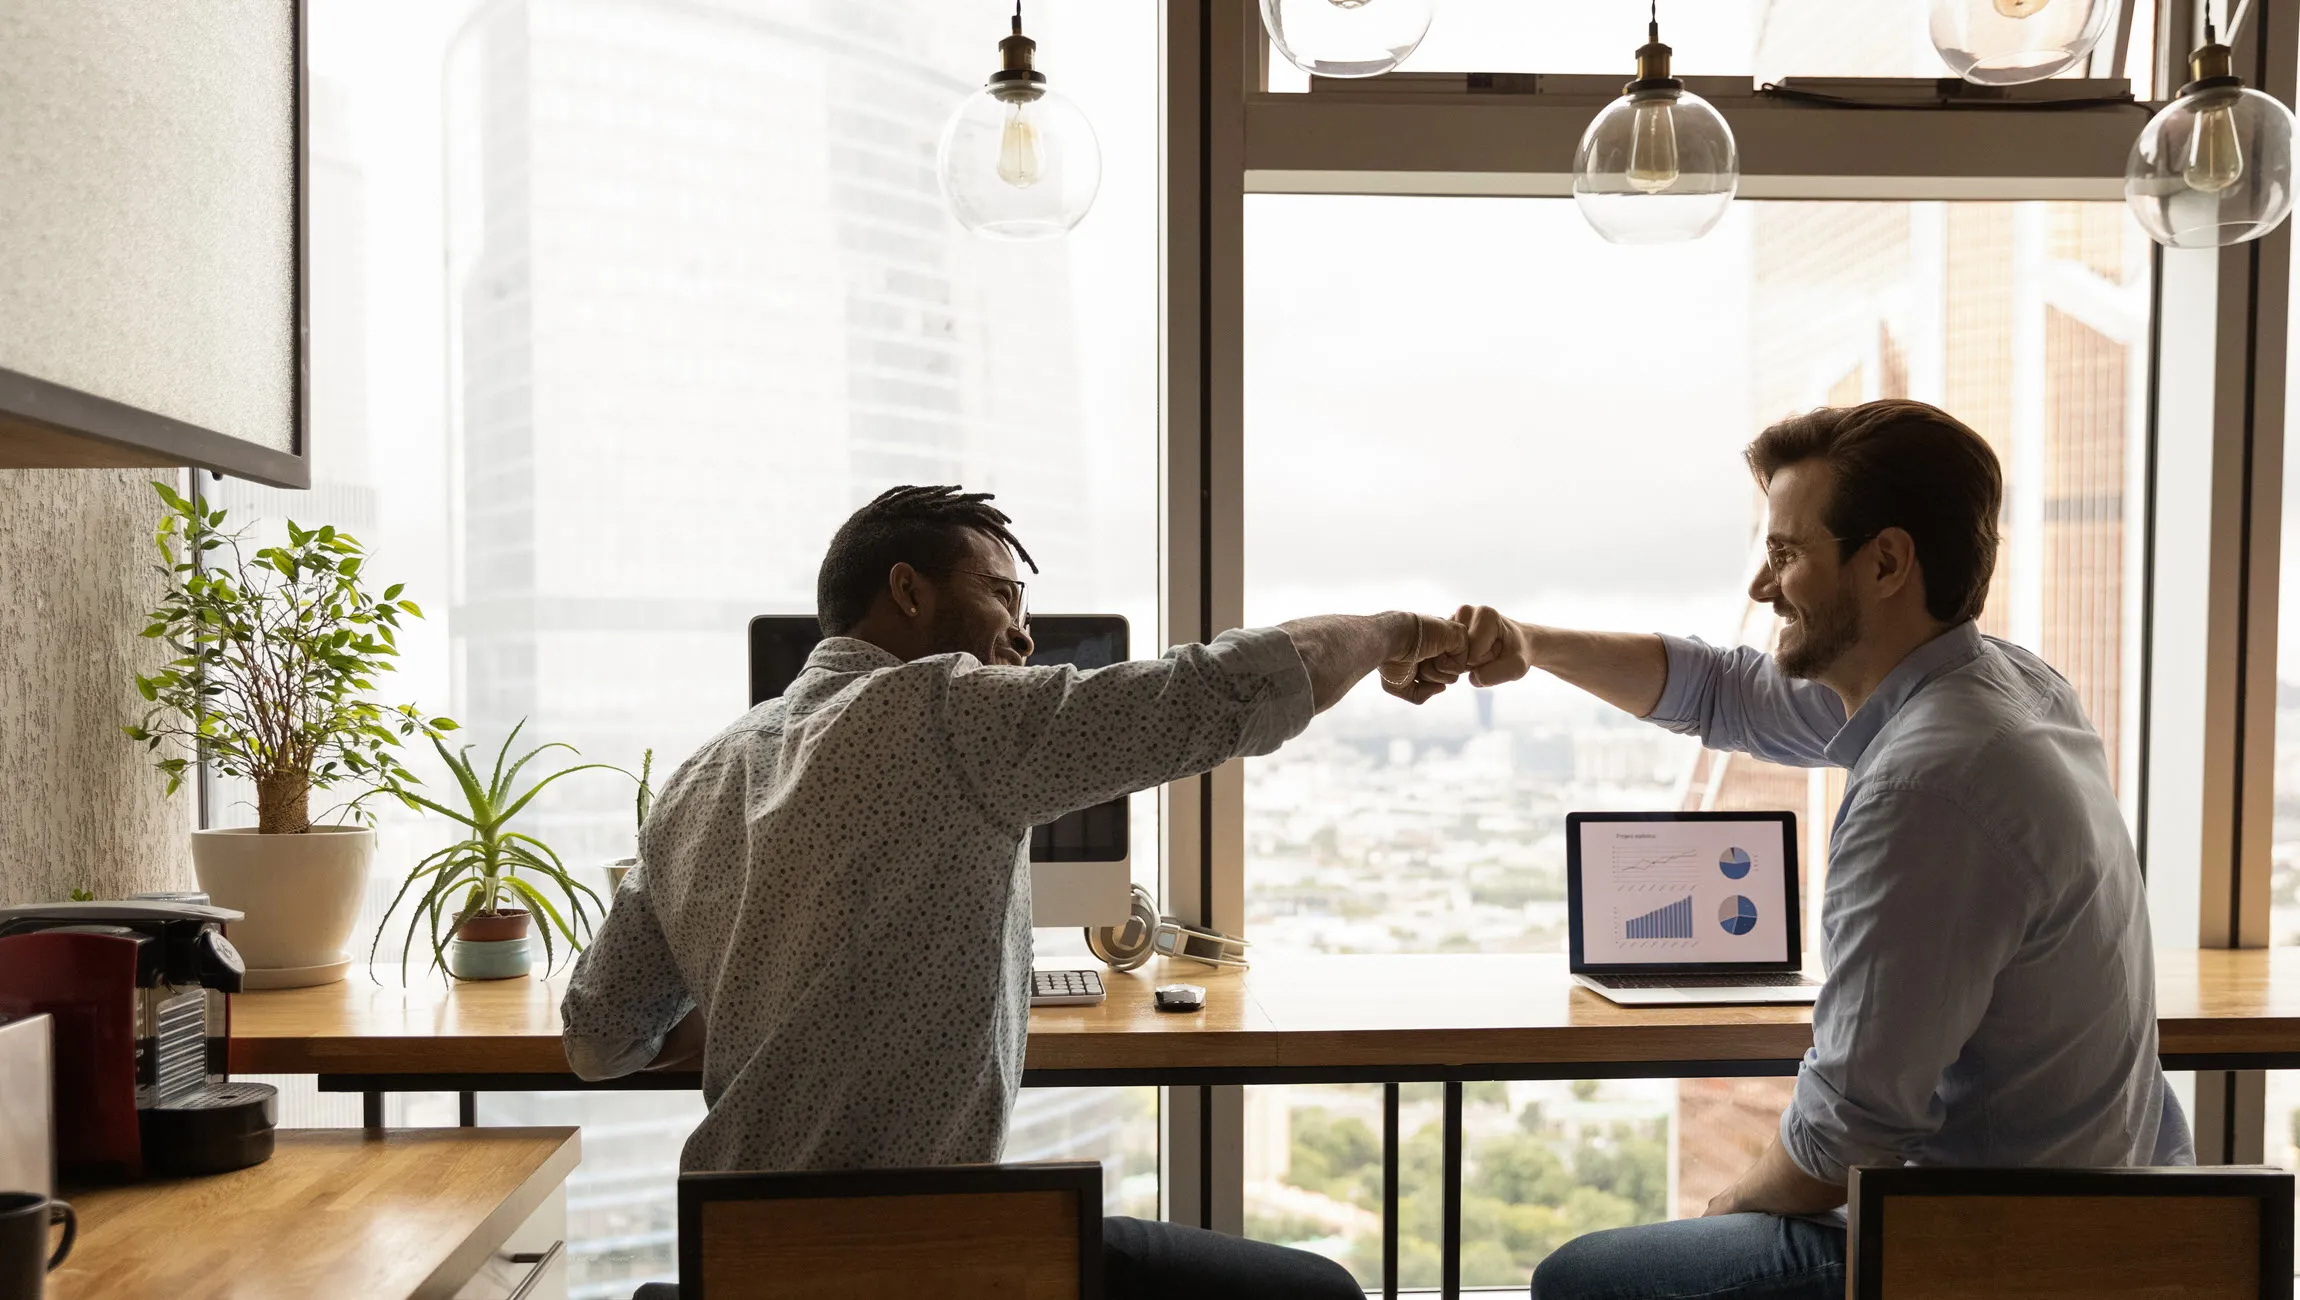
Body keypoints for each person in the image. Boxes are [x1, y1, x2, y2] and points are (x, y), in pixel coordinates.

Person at [562, 484, 1464, 1300]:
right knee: (1320, 1297)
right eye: (1003, 594)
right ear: (908, 592)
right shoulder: (948, 711)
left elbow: (599, 1039)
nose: (1025, 634)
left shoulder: (701, 774)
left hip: (740, 1259)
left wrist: (770, 984)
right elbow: (1223, 691)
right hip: (924, 1255)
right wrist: (1396, 632)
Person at [1439, 400, 2191, 1300]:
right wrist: (1530, 644)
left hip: (1983, 1250)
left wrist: (1719, 1214)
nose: (1764, 585)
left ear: (1885, 562)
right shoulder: (2007, 685)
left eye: (1787, 554)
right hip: (2113, 1208)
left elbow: (1844, 1141)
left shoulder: (1927, 785)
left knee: (1587, 1279)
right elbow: (1726, 692)